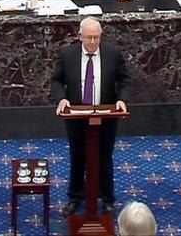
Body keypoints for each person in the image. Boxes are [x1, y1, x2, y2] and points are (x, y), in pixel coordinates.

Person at [51, 17, 129, 216]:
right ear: (80, 36)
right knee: (77, 156)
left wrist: (122, 100)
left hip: (106, 115)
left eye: (96, 37)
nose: (93, 42)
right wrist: (61, 99)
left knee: (104, 156)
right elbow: (57, 81)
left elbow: (126, 80)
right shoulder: (68, 54)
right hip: (77, 115)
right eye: (89, 38)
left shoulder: (113, 53)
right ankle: (76, 197)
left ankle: (107, 198)